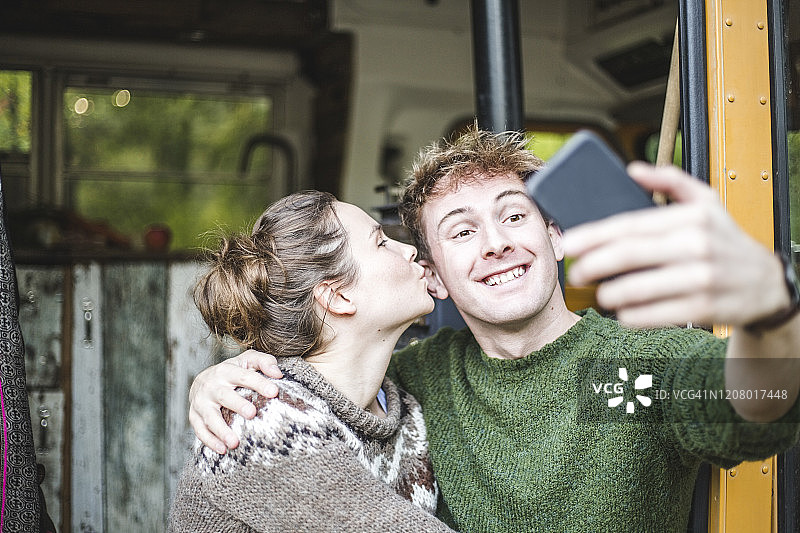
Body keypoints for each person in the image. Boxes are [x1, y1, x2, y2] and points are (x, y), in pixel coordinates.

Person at [187, 126, 800, 532]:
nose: (497, 243)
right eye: (460, 230)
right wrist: (229, 378)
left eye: (514, 215)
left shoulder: (625, 375)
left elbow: (761, 402)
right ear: (434, 274)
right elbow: (311, 397)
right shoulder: (415, 383)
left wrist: (769, 315)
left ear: (555, 235)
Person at [167, 191, 455, 532]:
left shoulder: (405, 414)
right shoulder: (264, 420)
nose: (408, 250)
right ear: (338, 297)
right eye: (381, 242)